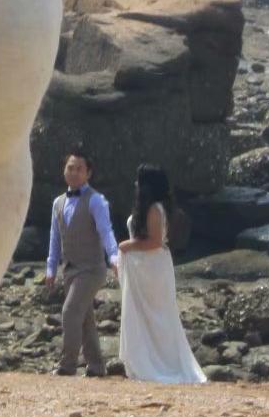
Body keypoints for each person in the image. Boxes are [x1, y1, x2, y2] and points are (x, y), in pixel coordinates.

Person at [116, 165, 206, 384]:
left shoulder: (155, 209)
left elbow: (155, 241)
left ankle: (161, 365)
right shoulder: (150, 208)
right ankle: (147, 361)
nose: (136, 185)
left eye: (139, 181)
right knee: (142, 316)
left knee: (159, 318)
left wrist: (126, 245)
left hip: (152, 269)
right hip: (142, 268)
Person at [45, 149, 119, 377]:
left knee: (69, 312)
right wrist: (50, 268)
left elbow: (106, 232)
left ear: (88, 173)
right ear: (64, 170)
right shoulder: (58, 202)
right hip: (70, 270)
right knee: (85, 319)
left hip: (92, 269)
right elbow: (55, 238)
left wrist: (114, 257)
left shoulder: (96, 201)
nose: (74, 173)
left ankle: (67, 365)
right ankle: (96, 366)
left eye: (79, 169)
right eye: (70, 167)